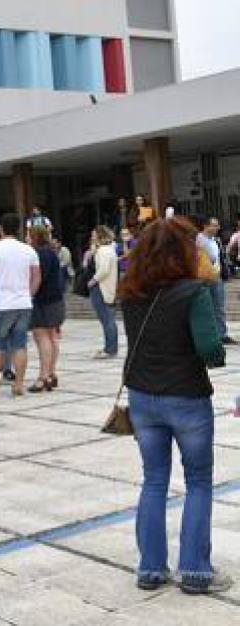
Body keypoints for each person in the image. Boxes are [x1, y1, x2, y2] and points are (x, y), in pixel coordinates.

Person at [119, 218, 230, 595]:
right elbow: (210, 349)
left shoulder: (131, 292)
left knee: (154, 480)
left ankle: (150, 568)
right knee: (198, 482)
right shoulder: (193, 292)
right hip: (186, 397)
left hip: (142, 398)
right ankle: (196, 571)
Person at [0, 213, 41, 397]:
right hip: (22, 304)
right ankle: (19, 384)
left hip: (0, 305)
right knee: (19, 345)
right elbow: (37, 278)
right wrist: (28, 295)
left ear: (1, 229)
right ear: (18, 229)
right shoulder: (29, 251)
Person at [28, 228, 65, 393]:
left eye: (29, 235)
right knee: (53, 336)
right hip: (56, 299)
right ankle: (51, 373)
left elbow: (38, 278)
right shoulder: (52, 253)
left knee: (42, 337)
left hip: (43, 301)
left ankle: (43, 377)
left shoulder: (39, 255)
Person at [89, 225, 120, 360]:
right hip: (107, 287)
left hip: (102, 288)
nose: (92, 236)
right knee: (108, 319)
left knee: (107, 319)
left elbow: (103, 270)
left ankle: (110, 348)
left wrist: (93, 280)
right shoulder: (108, 250)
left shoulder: (104, 251)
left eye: (94, 234)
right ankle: (110, 347)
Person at [201, 217, 234, 346]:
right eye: (214, 225)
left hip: (217, 277)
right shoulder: (198, 240)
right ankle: (208, 334)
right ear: (205, 226)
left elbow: (220, 258)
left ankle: (222, 334)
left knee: (219, 307)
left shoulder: (216, 241)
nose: (217, 228)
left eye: (218, 225)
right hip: (203, 278)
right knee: (206, 307)